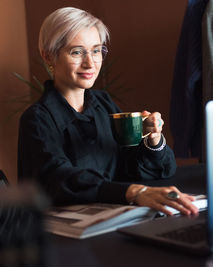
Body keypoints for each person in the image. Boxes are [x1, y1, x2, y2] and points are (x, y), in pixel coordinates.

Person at [18, 7, 198, 216]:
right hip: (65, 232)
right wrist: (133, 192)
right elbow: (59, 179)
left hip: (114, 216)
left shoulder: (103, 104)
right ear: (49, 56)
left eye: (96, 51)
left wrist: (153, 140)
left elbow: (133, 166)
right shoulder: (37, 119)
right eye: (77, 52)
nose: (90, 63)